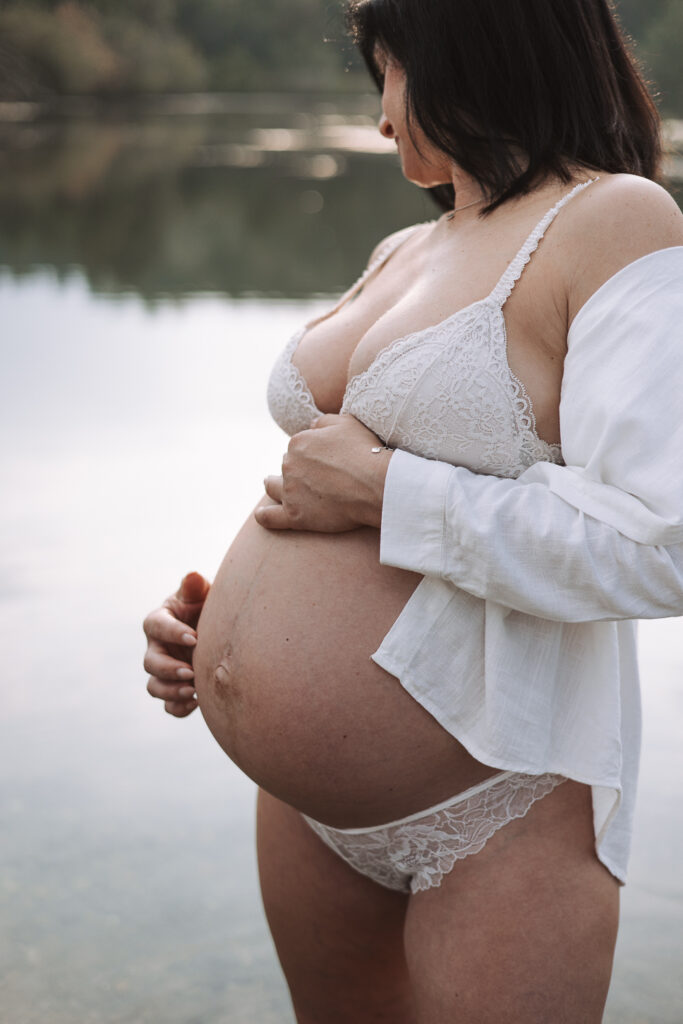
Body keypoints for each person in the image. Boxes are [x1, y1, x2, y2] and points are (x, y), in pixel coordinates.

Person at [143, 1, 683, 1020]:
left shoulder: (613, 220)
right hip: (304, 808)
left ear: (474, 49)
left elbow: (665, 543)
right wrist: (216, 627)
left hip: (495, 807)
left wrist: (391, 495)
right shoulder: (405, 247)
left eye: (390, 73)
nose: (382, 118)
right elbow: (329, 479)